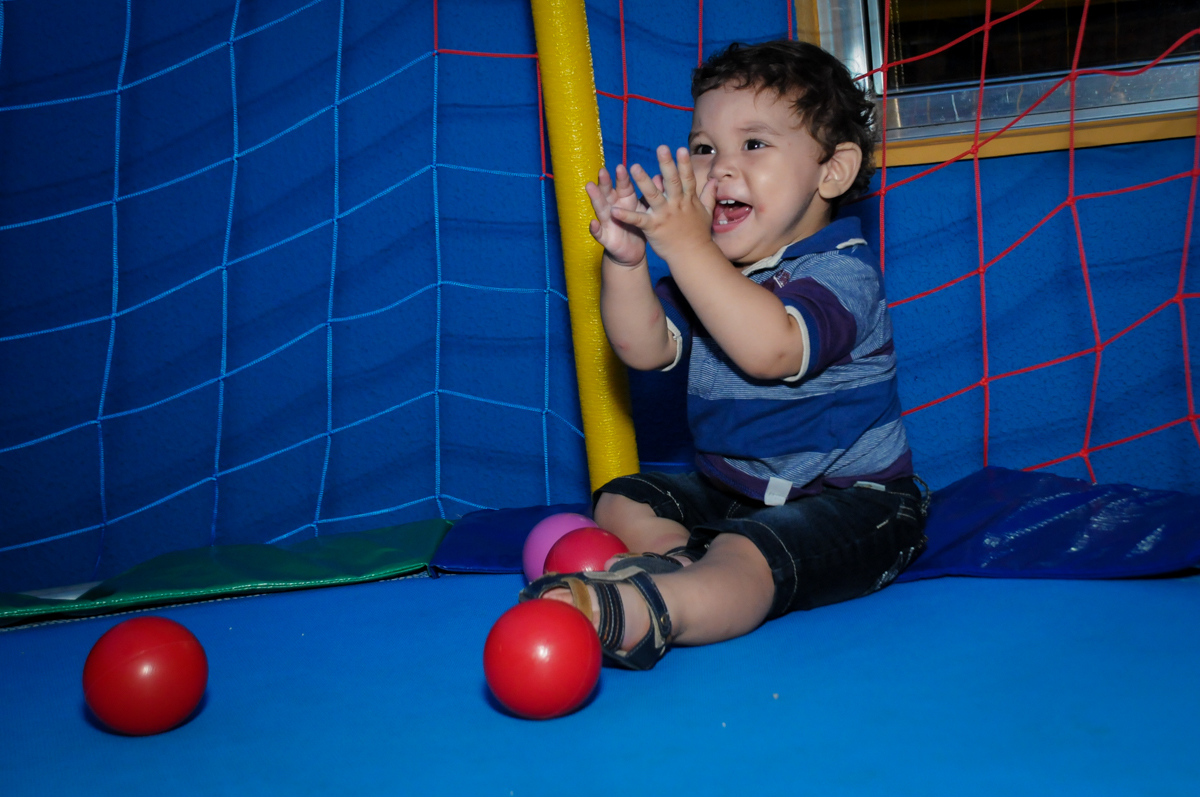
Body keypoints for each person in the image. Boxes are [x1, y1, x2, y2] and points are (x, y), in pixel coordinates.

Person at [522, 40, 928, 670]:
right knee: (620, 497)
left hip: (856, 501)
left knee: (750, 553)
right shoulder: (709, 275)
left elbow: (770, 349)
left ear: (833, 172)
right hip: (736, 488)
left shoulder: (841, 275)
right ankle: (676, 557)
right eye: (705, 147)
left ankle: (655, 608)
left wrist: (688, 251)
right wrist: (626, 264)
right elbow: (644, 349)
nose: (720, 168)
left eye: (754, 144)